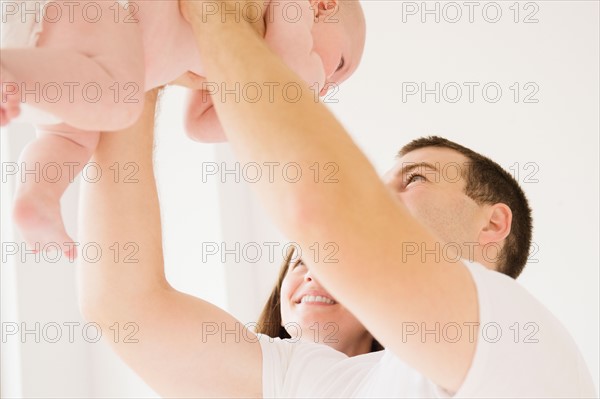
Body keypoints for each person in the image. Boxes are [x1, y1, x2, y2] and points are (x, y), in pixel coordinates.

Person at [76, 0, 597, 397]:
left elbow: (321, 214)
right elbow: (126, 306)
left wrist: (217, 16)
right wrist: (138, 65)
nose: (378, 196)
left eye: (414, 179)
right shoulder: (320, 377)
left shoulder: (521, 339)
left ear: (492, 224)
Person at [0, 0, 365, 256]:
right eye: (340, 67)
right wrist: (311, 80)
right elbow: (287, 82)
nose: (329, 85)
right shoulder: (293, 10)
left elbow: (199, 124)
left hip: (66, 59)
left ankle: (36, 197)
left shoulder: (239, 48)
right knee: (122, 101)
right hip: (98, 20)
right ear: (324, 4)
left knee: (70, 136)